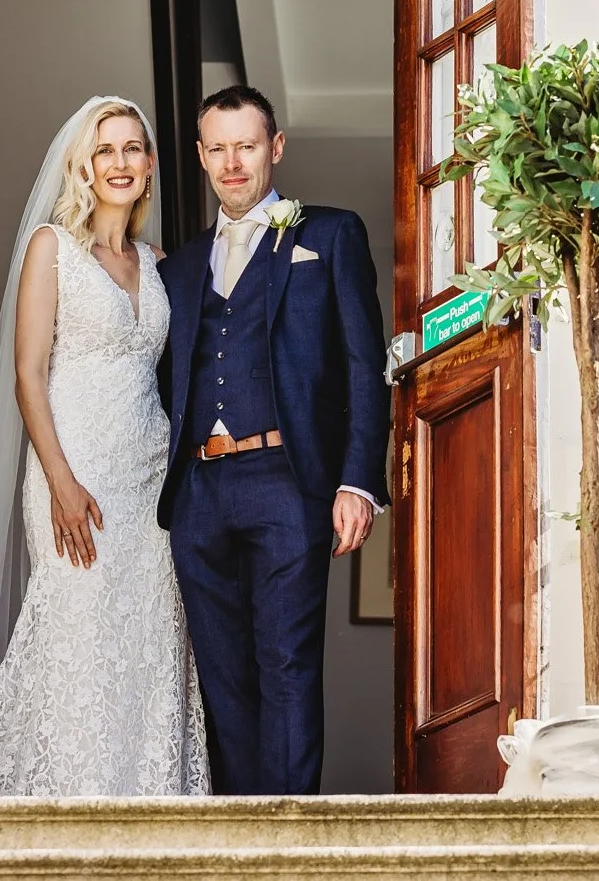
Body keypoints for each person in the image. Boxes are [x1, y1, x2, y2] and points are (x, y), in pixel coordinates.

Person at [0, 96, 208, 794]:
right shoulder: (51, 247)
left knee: (148, 636)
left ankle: (143, 805)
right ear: (83, 163)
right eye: (106, 149)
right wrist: (61, 481)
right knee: (80, 627)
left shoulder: (160, 262)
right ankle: (68, 801)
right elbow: (28, 372)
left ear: (149, 166)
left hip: (148, 478)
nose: (120, 162)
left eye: (133, 148)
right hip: (73, 463)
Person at [157, 85, 392, 796]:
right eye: (219, 148)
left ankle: (287, 842)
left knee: (286, 660)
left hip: (288, 482)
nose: (233, 162)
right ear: (201, 156)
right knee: (222, 675)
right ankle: (234, 839)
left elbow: (362, 364)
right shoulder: (178, 267)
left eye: (247, 145)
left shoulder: (330, 234)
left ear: (276, 147)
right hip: (199, 492)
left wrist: (359, 481)